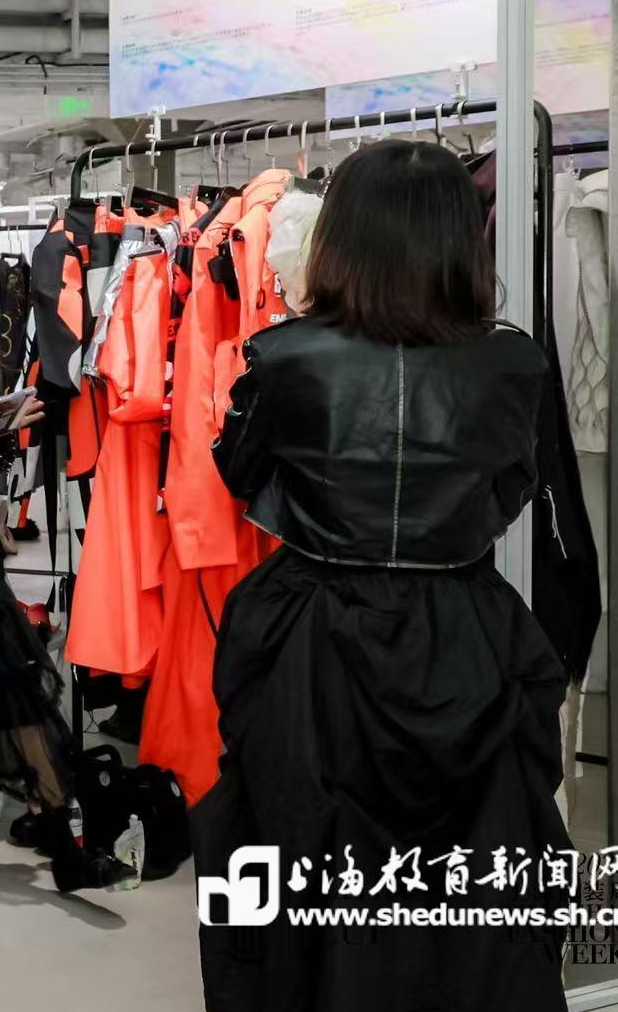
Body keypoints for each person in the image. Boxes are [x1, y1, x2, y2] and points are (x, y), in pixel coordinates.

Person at [195, 140, 568, 1012]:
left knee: (302, 875)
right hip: (462, 633)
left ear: (342, 234)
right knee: (472, 888)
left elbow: (244, 476)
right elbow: (512, 489)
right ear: (461, 236)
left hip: (313, 637)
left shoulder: (283, 358)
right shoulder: (513, 364)